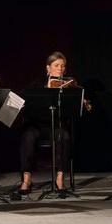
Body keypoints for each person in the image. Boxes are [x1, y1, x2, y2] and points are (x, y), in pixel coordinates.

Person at [13, 51, 74, 199]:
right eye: (56, 65)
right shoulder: (37, 84)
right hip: (37, 126)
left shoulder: (68, 85)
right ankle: (26, 179)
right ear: (48, 68)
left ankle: (60, 179)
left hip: (56, 125)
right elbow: (22, 98)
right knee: (27, 136)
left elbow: (72, 108)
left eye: (62, 66)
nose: (60, 68)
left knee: (64, 136)